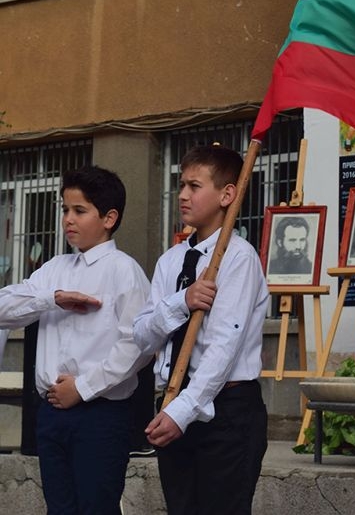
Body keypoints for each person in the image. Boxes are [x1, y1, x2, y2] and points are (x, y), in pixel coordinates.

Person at [0, 165, 151, 513]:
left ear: (109, 217)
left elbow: (137, 345)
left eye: (79, 211)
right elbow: (5, 307)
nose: (68, 219)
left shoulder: (123, 270)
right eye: (65, 209)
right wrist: (53, 298)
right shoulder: (55, 268)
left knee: (96, 506)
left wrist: (82, 388)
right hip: (51, 414)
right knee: (59, 507)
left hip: (100, 415)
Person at [133, 145, 269, 515]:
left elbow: (224, 347)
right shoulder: (170, 261)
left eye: (194, 185)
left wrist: (183, 412)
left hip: (225, 410)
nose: (182, 194)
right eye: (181, 184)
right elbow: (144, 335)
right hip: (174, 400)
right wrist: (182, 301)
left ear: (227, 195)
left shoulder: (239, 258)